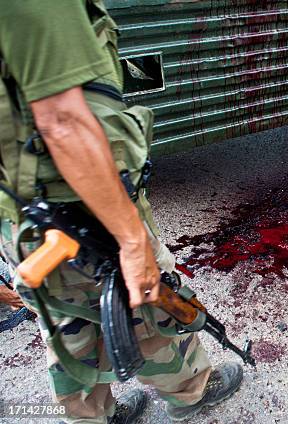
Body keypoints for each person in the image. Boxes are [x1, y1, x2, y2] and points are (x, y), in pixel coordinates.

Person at [0, 1, 242, 423]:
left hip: (21, 217)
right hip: (85, 207)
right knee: (151, 309)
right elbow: (63, 120)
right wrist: (131, 240)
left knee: (66, 327)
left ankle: (94, 415)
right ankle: (191, 393)